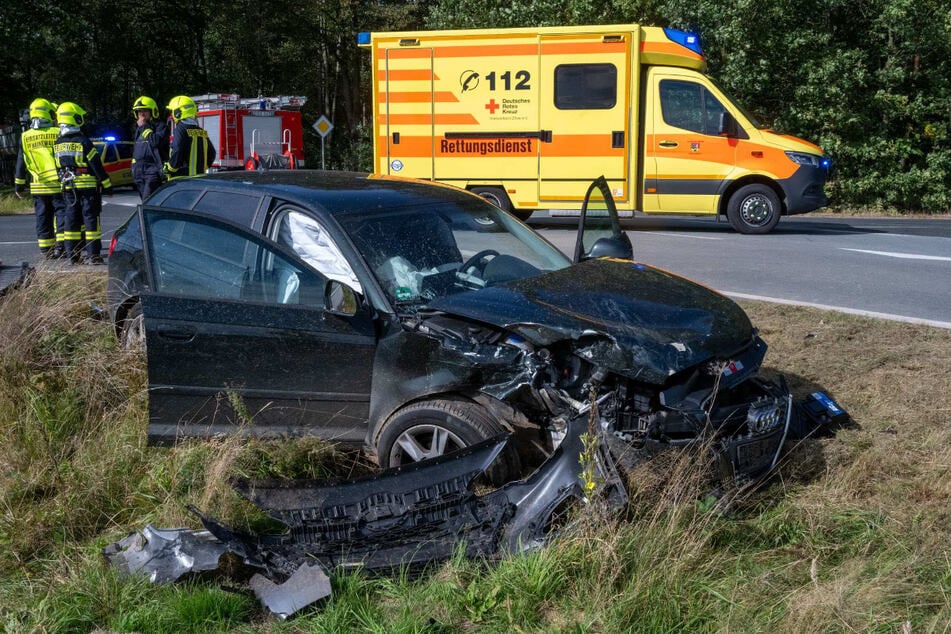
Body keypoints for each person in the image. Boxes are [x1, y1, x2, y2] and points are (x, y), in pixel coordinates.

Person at [53, 102, 111, 264]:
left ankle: (73, 255)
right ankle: (93, 255)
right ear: (75, 118)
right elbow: (96, 165)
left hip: (68, 188)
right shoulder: (83, 141)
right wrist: (107, 184)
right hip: (87, 189)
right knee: (90, 220)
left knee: (71, 221)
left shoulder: (57, 143)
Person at [13, 98, 66, 258]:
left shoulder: (25, 136)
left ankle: (46, 249)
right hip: (58, 184)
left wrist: (19, 186)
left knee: (43, 217)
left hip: (38, 186)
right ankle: (61, 246)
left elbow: (21, 162)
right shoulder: (57, 132)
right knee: (61, 214)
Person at [164, 95, 215, 179]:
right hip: (199, 179)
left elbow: (177, 149)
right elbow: (212, 153)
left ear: (178, 113)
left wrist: (169, 168)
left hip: (182, 180)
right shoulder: (201, 131)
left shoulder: (180, 128)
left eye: (172, 111)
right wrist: (201, 167)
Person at [130, 95, 169, 200]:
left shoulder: (161, 127)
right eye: (139, 112)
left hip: (152, 170)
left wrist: (143, 127)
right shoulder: (138, 129)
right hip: (138, 171)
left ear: (153, 112)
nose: (141, 115)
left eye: (144, 111)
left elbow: (155, 142)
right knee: (144, 201)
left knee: (148, 201)